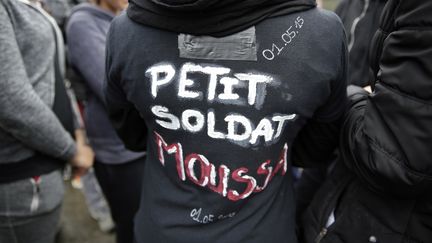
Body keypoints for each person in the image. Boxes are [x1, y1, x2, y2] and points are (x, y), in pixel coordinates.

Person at [104, 0, 348, 242]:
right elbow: (314, 152)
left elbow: (132, 136)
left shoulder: (126, 32)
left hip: (162, 230)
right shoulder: (322, 33)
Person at [300, 0, 432, 242]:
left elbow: (390, 153)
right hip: (334, 173)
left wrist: (346, 97)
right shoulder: (350, 7)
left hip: (380, 215)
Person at [0, 0, 94, 242]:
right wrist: (72, 151)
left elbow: (55, 76)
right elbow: (10, 101)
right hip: (22, 178)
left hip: (47, 162)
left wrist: (77, 132)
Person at [66, 0, 146, 242]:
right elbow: (110, 85)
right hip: (116, 149)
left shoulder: (124, 17)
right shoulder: (83, 23)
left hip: (140, 143)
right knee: (131, 224)